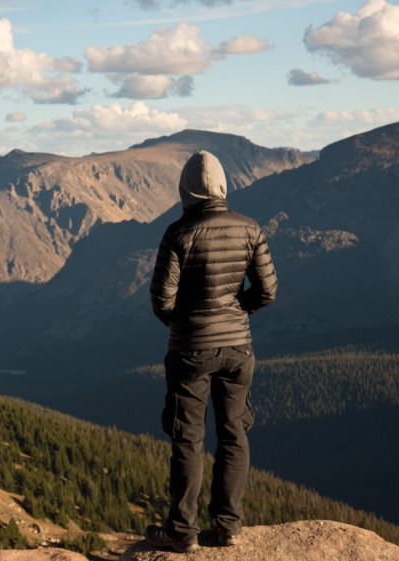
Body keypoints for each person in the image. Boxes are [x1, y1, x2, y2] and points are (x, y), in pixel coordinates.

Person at [145, 150, 277, 551]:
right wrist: (238, 312)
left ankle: (182, 532)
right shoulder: (250, 228)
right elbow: (268, 291)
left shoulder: (178, 234)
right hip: (238, 348)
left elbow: (161, 301)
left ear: (185, 189)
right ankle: (228, 527)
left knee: (188, 438)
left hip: (189, 351)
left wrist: (186, 327)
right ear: (222, 187)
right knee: (233, 433)